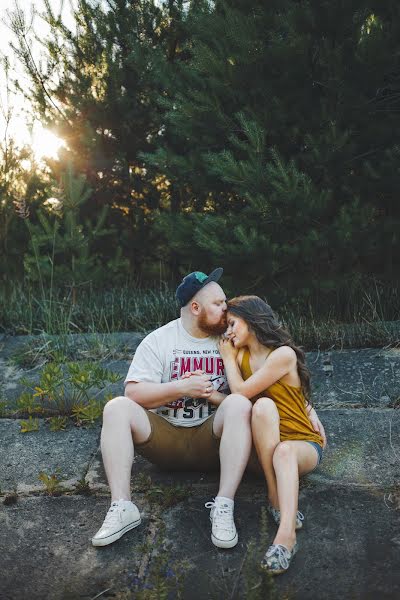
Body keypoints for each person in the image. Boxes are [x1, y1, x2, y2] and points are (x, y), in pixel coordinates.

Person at [91, 268, 254, 550]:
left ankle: (224, 505)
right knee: (116, 408)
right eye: (218, 304)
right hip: (165, 441)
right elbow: (134, 392)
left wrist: (306, 406)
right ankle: (122, 507)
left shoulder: (231, 340)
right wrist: (182, 387)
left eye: (225, 303)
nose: (226, 310)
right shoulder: (159, 341)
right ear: (195, 307)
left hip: (212, 439)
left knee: (239, 403)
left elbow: (266, 380)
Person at [219, 295, 326, 575]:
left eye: (232, 324)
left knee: (285, 450)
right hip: (266, 445)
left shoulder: (283, 354)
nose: (228, 333)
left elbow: (241, 391)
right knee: (263, 407)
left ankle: (285, 536)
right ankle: (274, 496)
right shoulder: (241, 356)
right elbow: (241, 401)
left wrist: (227, 359)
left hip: (301, 445)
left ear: (252, 320)